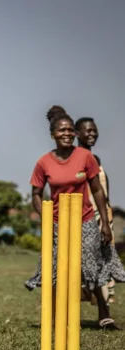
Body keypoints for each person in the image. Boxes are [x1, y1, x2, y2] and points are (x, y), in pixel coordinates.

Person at [25, 106, 125, 329]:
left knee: (92, 266)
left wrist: (106, 224)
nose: (67, 133)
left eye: (70, 130)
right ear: (53, 135)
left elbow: (97, 189)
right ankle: (60, 316)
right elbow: (36, 195)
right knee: (58, 268)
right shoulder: (44, 163)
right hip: (58, 223)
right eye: (62, 130)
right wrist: (46, 219)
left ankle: (104, 314)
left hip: (85, 219)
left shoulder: (85, 157)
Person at [76, 117, 120, 305]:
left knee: (105, 258)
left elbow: (102, 190)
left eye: (94, 130)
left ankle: (105, 308)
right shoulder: (74, 159)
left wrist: (106, 217)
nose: (92, 134)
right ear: (77, 134)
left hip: (103, 216)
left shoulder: (96, 159)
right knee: (86, 261)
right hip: (85, 217)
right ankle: (90, 297)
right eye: (88, 130)